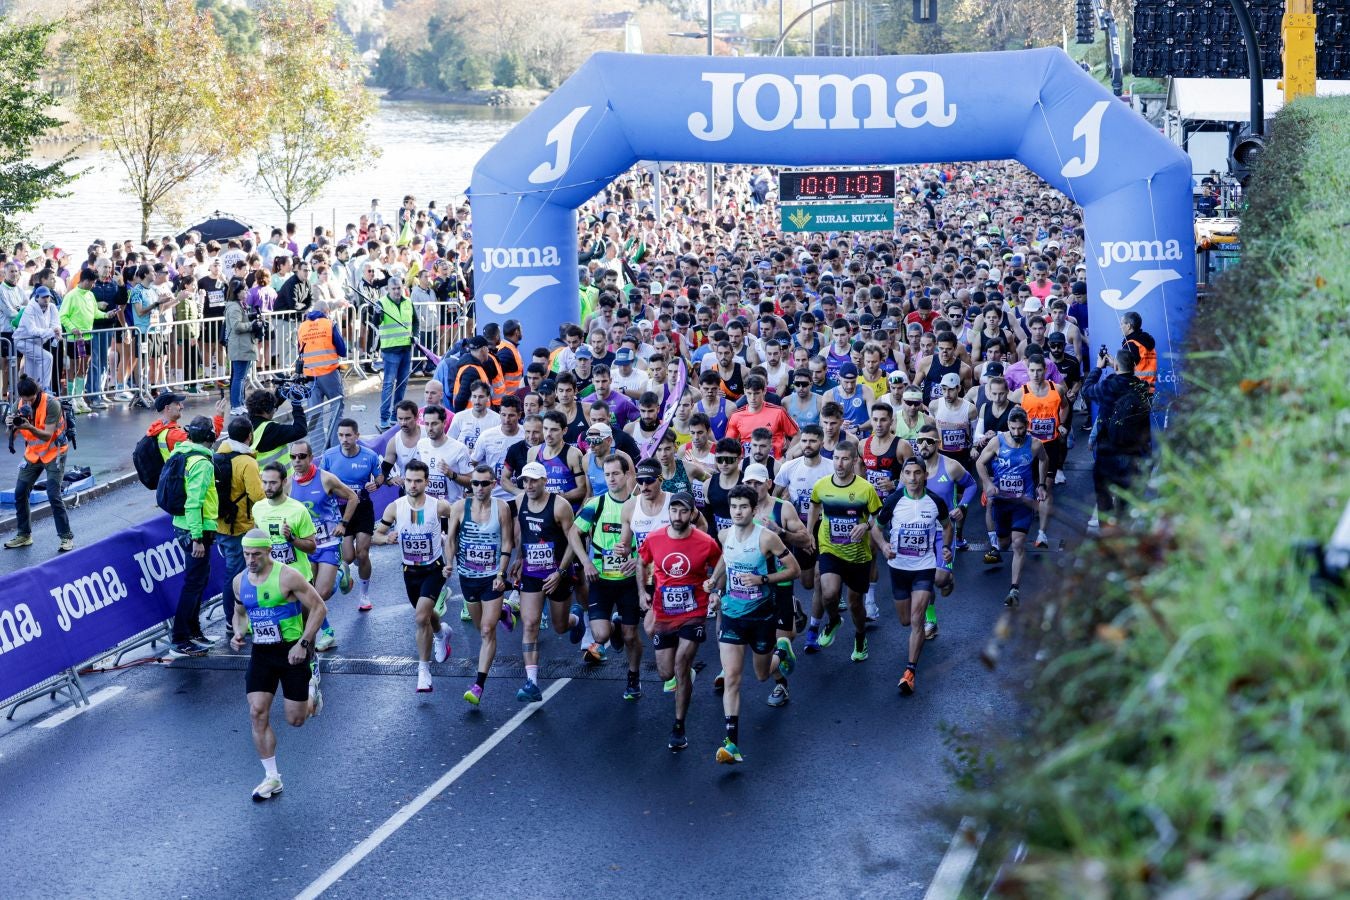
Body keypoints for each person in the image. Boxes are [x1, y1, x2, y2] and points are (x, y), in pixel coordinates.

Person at [231, 529, 328, 801]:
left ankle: (311, 691)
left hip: (291, 650)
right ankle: (272, 777)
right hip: (262, 652)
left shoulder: (288, 576)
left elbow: (319, 608)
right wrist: (239, 633)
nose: (250, 560)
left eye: (256, 554)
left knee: (296, 720)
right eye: (247, 554)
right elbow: (239, 614)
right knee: (257, 712)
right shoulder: (240, 582)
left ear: (269, 552)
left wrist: (305, 644)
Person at [705, 485, 799, 764]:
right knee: (732, 677)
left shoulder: (767, 538)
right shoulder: (725, 534)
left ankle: (782, 651)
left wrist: (762, 580)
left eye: (743, 507)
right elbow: (726, 559)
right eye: (733, 507)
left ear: (754, 510)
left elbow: (793, 569)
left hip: (762, 616)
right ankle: (731, 743)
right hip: (733, 614)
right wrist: (714, 583)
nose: (737, 512)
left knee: (760, 675)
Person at [635, 491, 722, 752]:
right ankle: (682, 676)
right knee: (666, 672)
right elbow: (641, 562)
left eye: (683, 511)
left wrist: (717, 592)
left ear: (692, 513)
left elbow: (722, 566)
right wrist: (642, 592)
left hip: (693, 611)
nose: (677, 516)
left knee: (682, 664)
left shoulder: (705, 542)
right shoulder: (655, 538)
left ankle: (678, 726)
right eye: (674, 511)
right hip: (664, 613)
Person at [372, 460, 456, 693]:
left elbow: (450, 535)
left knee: (420, 618)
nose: (412, 485)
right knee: (427, 615)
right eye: (409, 480)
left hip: (434, 568)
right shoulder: (394, 507)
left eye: (418, 481)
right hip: (410, 571)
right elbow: (376, 536)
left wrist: (450, 562)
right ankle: (441, 633)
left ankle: (423, 672)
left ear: (426, 482)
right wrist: (386, 538)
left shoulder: (439, 507)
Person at [876, 456, 953, 696]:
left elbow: (947, 525)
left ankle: (910, 672)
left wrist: (946, 548)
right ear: (902, 477)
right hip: (899, 567)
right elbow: (876, 528)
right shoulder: (894, 500)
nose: (912, 478)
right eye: (907, 473)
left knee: (917, 619)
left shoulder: (935, 501)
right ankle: (945, 581)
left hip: (924, 566)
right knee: (905, 621)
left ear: (925, 475)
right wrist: (883, 546)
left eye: (917, 473)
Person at [570, 454, 645, 699]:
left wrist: (639, 559)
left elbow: (653, 539)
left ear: (626, 475)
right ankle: (614, 627)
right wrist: (586, 562)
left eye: (615, 474)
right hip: (600, 580)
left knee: (631, 636)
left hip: (629, 581)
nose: (611, 478)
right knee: (601, 636)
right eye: (607, 474)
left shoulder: (640, 504)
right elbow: (573, 533)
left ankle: (633, 678)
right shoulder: (596, 504)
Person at [510, 461, 584, 702]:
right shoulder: (521, 501)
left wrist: (560, 572)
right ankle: (531, 682)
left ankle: (576, 619)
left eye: (533, 480)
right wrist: (520, 558)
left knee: (560, 626)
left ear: (544, 481)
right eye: (525, 481)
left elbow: (574, 542)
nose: (529, 485)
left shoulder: (560, 506)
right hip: (532, 573)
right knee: (530, 624)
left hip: (557, 574)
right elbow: (524, 533)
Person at [445, 464, 517, 706]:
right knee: (480, 627)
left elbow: (508, 541)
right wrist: (448, 563)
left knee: (487, 630)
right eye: (475, 483)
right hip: (467, 577)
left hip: (492, 577)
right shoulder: (459, 508)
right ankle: (503, 611)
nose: (478, 487)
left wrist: (501, 572)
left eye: (484, 483)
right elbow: (451, 540)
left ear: (493, 484)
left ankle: (478, 685)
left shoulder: (502, 508)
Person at [805, 439, 883, 660]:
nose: (839, 464)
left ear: (854, 461)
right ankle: (833, 621)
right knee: (828, 593)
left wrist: (866, 525)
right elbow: (814, 504)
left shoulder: (865, 489)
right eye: (836, 459)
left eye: (845, 459)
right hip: (830, 548)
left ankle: (860, 636)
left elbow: (879, 517)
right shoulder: (822, 485)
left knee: (855, 604)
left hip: (858, 555)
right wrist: (809, 531)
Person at [287, 440, 360, 648]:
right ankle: (327, 632)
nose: (297, 461)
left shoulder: (326, 479)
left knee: (322, 593)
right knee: (309, 596)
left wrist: (343, 524)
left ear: (311, 458)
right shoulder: (288, 484)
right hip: (305, 545)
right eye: (293, 457)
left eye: (302, 456)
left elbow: (353, 498)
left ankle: (340, 574)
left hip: (328, 542)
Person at [975, 408, 1049, 607]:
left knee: (1018, 543)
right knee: (1005, 543)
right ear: (1008, 426)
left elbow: (1044, 459)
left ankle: (1014, 588)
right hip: (1002, 501)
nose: (1017, 433)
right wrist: (988, 484)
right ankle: (1000, 546)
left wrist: (1041, 484)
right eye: (1013, 428)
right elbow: (980, 463)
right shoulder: (997, 442)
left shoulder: (1034, 444)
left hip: (1023, 501)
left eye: (1021, 429)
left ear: (1027, 427)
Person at [167, 415, 221, 656]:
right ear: (210, 437)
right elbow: (194, 502)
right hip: (195, 529)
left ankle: (193, 630)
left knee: (199, 581)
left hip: (184, 525)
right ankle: (180, 638)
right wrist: (198, 538)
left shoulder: (180, 453)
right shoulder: (202, 463)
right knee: (193, 583)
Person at [3, 375, 75, 553]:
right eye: (24, 399)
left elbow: (47, 435)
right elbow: (8, 435)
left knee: (53, 494)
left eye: (31, 399)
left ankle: (66, 537)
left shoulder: (52, 404)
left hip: (54, 452)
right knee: (20, 492)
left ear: (37, 393)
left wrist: (28, 427)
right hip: (34, 454)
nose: (27, 403)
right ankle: (24, 535)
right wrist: (10, 425)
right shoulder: (18, 405)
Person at [320, 418, 386, 611]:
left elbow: (380, 475)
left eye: (348, 435)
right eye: (341, 435)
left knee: (363, 553)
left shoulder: (370, 456)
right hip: (340, 510)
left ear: (357, 436)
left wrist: (377, 483)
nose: (344, 439)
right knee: (348, 557)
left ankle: (364, 596)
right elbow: (323, 481)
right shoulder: (329, 456)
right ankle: (347, 571)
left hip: (363, 508)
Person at [1082, 347, 1153, 526]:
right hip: (1132, 454)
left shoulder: (1108, 385)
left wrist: (1098, 368)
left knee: (1104, 498)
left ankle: (1106, 537)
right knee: (1126, 502)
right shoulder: (1142, 389)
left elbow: (1087, 390)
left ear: (1116, 366)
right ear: (1134, 366)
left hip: (1108, 453)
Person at [1009, 355, 1068, 548]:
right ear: (1028, 371)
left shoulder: (1056, 389)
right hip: (1028, 446)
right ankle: (1023, 523)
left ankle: (1042, 534)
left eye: (1039, 370)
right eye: (1032, 370)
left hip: (1050, 445)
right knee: (1027, 487)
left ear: (1045, 370)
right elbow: (1012, 416)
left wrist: (1061, 424)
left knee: (1046, 487)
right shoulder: (1021, 393)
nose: (1035, 374)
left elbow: (1065, 406)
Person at [216, 417, 266, 641]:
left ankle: (232, 618)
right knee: (239, 574)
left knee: (232, 573)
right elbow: (258, 496)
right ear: (250, 436)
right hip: (242, 526)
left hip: (222, 525)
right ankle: (235, 619)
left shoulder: (218, 455)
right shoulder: (247, 462)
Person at [376, 275, 416, 429]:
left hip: (406, 348)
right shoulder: (382, 303)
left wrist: (416, 335)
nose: (397, 291)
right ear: (388, 289)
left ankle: (395, 415)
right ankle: (384, 417)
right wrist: (377, 313)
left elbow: (415, 322)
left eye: (399, 288)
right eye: (393, 289)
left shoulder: (408, 302)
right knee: (388, 384)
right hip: (390, 349)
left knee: (402, 384)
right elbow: (376, 322)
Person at [298, 302, 347, 418]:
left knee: (314, 413)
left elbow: (300, 351)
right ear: (327, 312)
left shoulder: (302, 327)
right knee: (337, 407)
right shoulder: (329, 324)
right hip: (329, 373)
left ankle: (316, 437)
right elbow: (342, 351)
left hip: (309, 375)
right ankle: (335, 436)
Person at [246, 388, 310, 474]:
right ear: (267, 410)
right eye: (273, 408)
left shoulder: (249, 425)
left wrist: (280, 398)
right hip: (282, 482)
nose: (274, 411)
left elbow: (266, 409)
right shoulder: (270, 429)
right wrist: (296, 404)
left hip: (265, 481)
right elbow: (301, 430)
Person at [13, 285, 62, 390]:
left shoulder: (52, 307)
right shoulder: (29, 308)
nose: (46, 299)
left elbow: (56, 324)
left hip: (36, 342)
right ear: (36, 297)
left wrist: (56, 331)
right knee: (47, 358)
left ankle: (30, 395)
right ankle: (45, 388)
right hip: (22, 341)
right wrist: (52, 332)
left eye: (48, 297)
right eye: (43, 297)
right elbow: (32, 330)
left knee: (31, 373)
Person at [225, 279, 257, 415]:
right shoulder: (233, 307)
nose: (247, 292)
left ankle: (240, 402)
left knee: (242, 377)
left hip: (243, 345)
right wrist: (252, 325)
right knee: (238, 377)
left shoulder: (239, 305)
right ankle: (235, 405)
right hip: (239, 346)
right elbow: (236, 326)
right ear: (237, 293)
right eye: (244, 290)